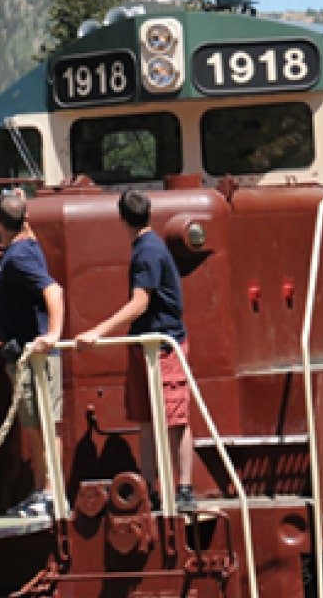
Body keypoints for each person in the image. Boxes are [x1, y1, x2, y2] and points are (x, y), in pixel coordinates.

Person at [78, 191, 198, 511]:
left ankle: (184, 489)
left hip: (162, 347)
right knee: (146, 419)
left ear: (122, 219)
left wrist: (98, 331)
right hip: (144, 345)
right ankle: (150, 487)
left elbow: (140, 301)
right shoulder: (147, 247)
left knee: (176, 418)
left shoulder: (148, 252)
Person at [0, 190, 65, 517]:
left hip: (35, 355)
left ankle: (50, 492)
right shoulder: (27, 245)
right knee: (35, 427)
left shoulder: (19, 257)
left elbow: (53, 290)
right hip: (23, 354)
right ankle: (41, 490)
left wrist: (52, 335)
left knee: (44, 427)